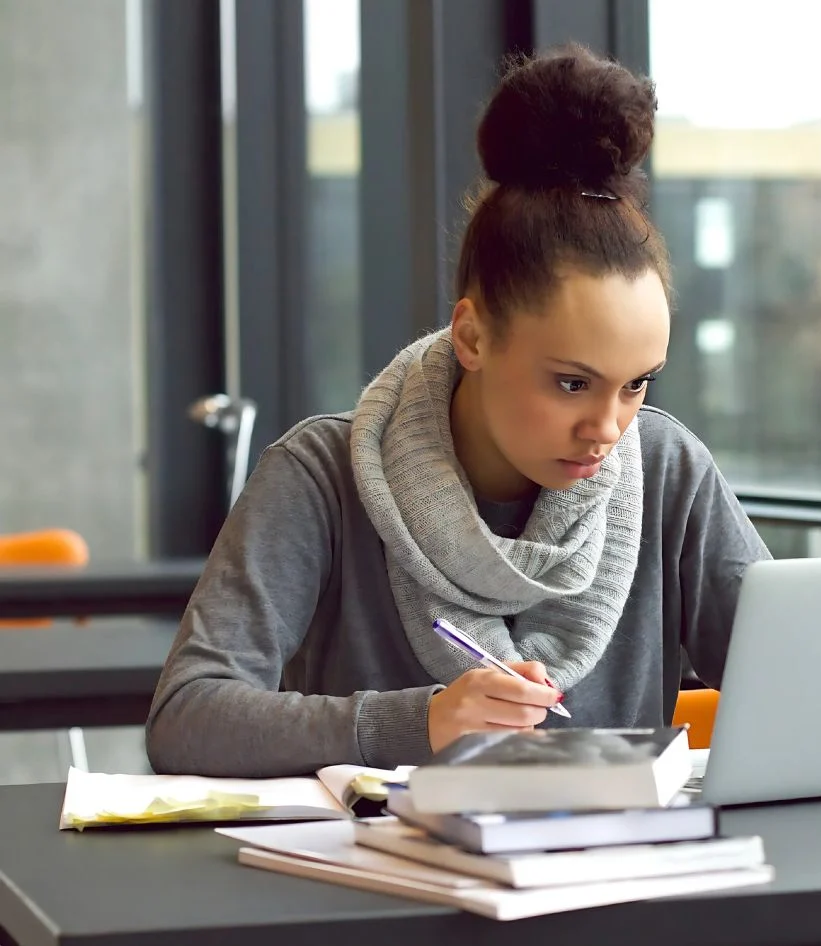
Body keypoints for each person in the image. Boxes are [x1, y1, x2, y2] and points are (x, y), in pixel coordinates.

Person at [145, 43, 770, 778]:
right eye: (572, 383)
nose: (607, 428)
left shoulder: (668, 472)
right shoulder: (320, 477)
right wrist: (422, 720)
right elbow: (188, 718)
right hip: (383, 886)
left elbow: (804, 685)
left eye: (636, 385)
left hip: (617, 884)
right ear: (473, 336)